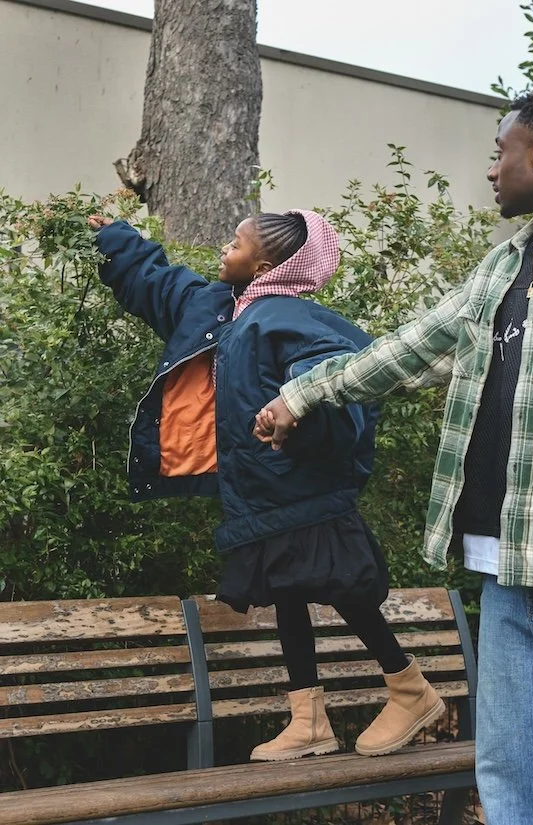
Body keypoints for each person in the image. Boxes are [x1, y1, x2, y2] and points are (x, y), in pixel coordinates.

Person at [254, 88, 533, 824]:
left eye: (501, 151)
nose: (492, 169)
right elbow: (406, 350)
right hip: (506, 556)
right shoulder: (503, 269)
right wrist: (303, 394)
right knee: (509, 764)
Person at [88, 208, 443, 762]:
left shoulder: (288, 320)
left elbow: (337, 381)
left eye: (235, 243)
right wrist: (117, 238)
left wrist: (294, 414)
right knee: (287, 596)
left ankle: (410, 689)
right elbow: (161, 285)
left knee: (347, 591)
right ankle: (309, 720)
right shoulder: (223, 311)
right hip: (258, 496)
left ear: (266, 264)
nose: (223, 251)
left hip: (304, 492)